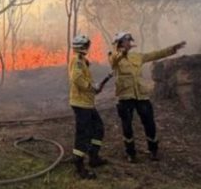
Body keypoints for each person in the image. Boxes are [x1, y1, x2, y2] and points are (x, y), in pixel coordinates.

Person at [109, 32, 186, 162]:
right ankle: (131, 153)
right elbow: (114, 61)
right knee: (127, 126)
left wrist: (172, 49)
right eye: (126, 41)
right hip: (125, 96)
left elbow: (155, 54)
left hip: (141, 95)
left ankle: (153, 151)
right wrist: (122, 51)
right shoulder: (113, 56)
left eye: (129, 41)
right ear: (120, 43)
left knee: (149, 124)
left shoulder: (137, 56)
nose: (129, 43)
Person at [68, 34, 112, 180]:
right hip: (81, 104)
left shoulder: (82, 60)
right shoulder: (77, 60)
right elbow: (77, 78)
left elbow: (84, 79)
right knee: (84, 134)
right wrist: (91, 87)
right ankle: (79, 166)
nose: (88, 47)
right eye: (87, 45)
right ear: (82, 46)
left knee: (98, 128)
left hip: (87, 103)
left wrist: (94, 88)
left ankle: (94, 157)